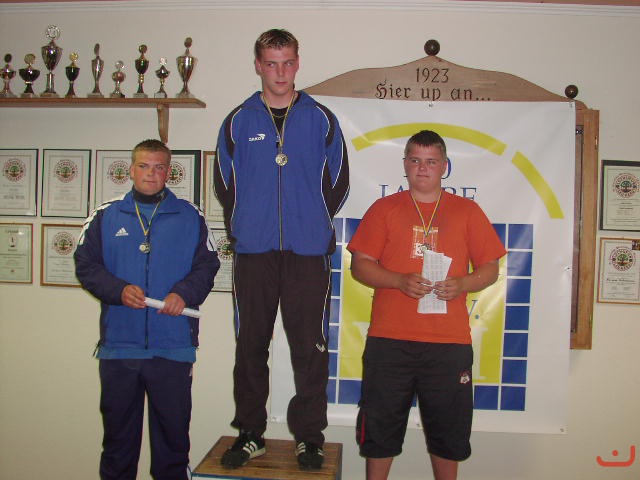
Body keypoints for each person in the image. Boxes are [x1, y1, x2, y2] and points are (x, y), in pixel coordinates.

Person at [213, 28, 349, 470]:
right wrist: (248, 224)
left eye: (288, 62)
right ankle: (251, 433)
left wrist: (310, 220)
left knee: (310, 348)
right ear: (258, 65)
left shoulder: (321, 118)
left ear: (297, 63)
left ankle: (309, 437)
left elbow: (340, 181)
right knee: (251, 344)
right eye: (271, 64)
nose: (280, 72)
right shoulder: (238, 120)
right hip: (254, 252)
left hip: (308, 252)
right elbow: (225, 184)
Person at [347, 130, 506, 480]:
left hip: (448, 343)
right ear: (405, 164)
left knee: (449, 434)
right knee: (380, 432)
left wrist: (462, 284)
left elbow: (490, 268)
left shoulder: (467, 211)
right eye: (415, 160)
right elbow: (360, 265)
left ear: (444, 166)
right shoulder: (384, 208)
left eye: (431, 161)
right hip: (390, 341)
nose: (423, 168)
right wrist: (398, 281)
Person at [74, 139, 220, 480]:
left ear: (168, 172)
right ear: (131, 169)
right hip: (119, 349)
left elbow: (208, 265)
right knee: (118, 448)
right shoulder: (106, 215)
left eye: (158, 167)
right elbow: (86, 265)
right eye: (143, 166)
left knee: (172, 448)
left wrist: (183, 293)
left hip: (172, 348)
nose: (150, 174)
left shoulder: (190, 216)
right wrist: (118, 290)